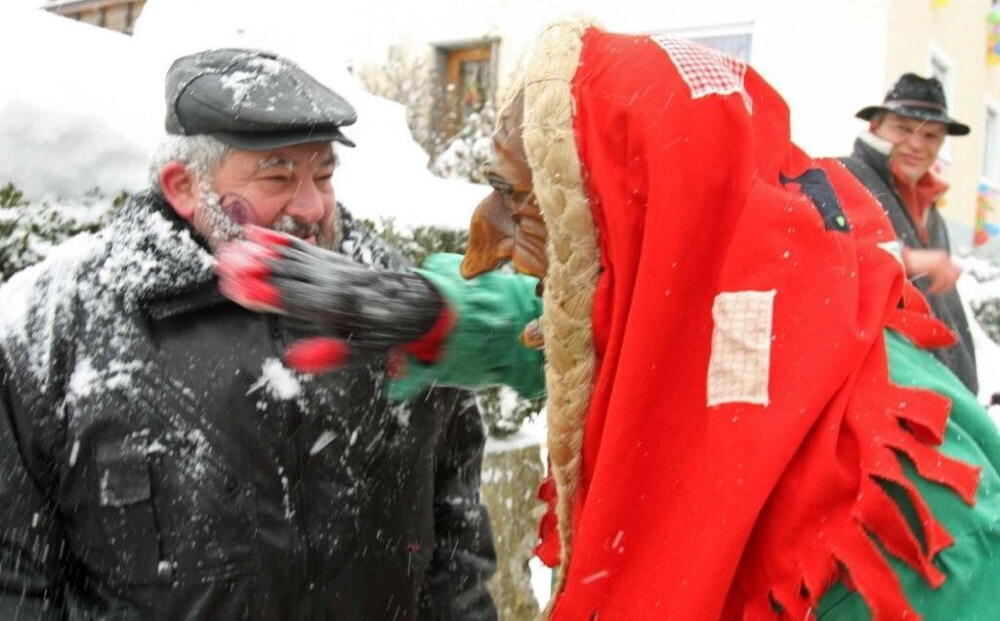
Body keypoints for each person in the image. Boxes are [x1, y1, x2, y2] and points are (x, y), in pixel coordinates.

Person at [218, 21, 1000, 620]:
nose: (485, 240)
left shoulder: (901, 526)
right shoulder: (741, 298)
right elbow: (606, 329)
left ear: (632, 220)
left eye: (520, 195)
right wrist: (429, 312)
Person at [0, 48, 497, 620]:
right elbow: (15, 573)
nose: (312, 206)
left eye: (324, 173)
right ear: (184, 187)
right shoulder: (53, 327)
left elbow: (456, 541)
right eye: (278, 175)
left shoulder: (394, 307)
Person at [840, 73, 979, 394]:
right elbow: (818, 253)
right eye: (903, 128)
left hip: (939, 397)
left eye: (931, 135)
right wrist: (906, 259)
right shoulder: (843, 176)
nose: (917, 143)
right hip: (881, 394)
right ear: (874, 127)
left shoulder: (932, 211)